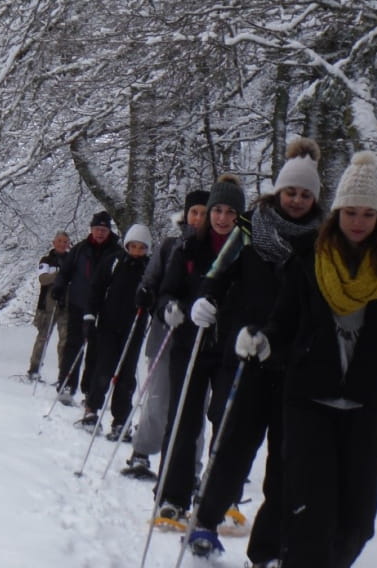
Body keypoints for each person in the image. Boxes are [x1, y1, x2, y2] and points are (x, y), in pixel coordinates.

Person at [235, 150, 377, 567]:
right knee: (309, 515)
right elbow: (281, 324)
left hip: (365, 406)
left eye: (368, 214)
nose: (358, 222)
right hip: (308, 403)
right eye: (351, 212)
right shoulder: (307, 260)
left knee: (358, 522)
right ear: (336, 212)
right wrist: (261, 341)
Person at [185, 138, 325, 561]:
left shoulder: (323, 238)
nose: (297, 200)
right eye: (291, 191)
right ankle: (206, 520)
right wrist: (207, 297)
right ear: (278, 191)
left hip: (296, 362)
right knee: (233, 446)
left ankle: (269, 546)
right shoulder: (249, 227)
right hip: (245, 354)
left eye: (305, 194)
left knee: (287, 461)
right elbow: (218, 271)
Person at [153, 174, 245, 528]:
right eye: (216, 210)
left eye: (230, 212)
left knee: (225, 421)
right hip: (190, 346)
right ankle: (171, 498)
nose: (222, 218)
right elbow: (166, 292)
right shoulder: (189, 248)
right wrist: (171, 309)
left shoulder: (248, 251)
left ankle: (219, 497)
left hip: (230, 349)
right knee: (183, 419)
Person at [123, 190, 209, 479]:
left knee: (193, 406)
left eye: (204, 212)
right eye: (194, 212)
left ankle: (190, 468)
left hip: (200, 340)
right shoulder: (170, 246)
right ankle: (143, 451)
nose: (198, 218)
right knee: (158, 399)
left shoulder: (218, 248)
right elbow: (151, 280)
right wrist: (147, 294)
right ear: (186, 215)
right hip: (166, 333)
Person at [79, 224, 152, 439]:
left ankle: (121, 420)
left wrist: (150, 300)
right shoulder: (114, 262)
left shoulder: (149, 268)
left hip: (135, 327)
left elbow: (157, 294)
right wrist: (90, 316)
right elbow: (96, 289)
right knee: (103, 367)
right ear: (127, 245)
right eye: (133, 246)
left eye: (141, 247)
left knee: (126, 374)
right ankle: (92, 410)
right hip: (109, 325)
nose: (137, 251)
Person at [51, 211, 121, 405]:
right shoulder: (80, 249)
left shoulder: (116, 252)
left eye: (104, 230)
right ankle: (66, 384)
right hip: (78, 303)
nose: (100, 233)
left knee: (96, 351)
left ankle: (90, 390)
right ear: (91, 229)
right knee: (73, 345)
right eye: (97, 229)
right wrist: (59, 287)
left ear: (109, 231)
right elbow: (66, 272)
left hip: (103, 309)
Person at [26, 231, 71, 381]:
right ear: (54, 243)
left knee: (65, 342)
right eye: (60, 241)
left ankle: (63, 375)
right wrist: (59, 275)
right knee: (43, 338)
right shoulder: (46, 260)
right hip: (47, 306)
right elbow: (43, 279)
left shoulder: (72, 260)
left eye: (65, 242)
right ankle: (34, 370)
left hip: (66, 306)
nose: (62, 244)